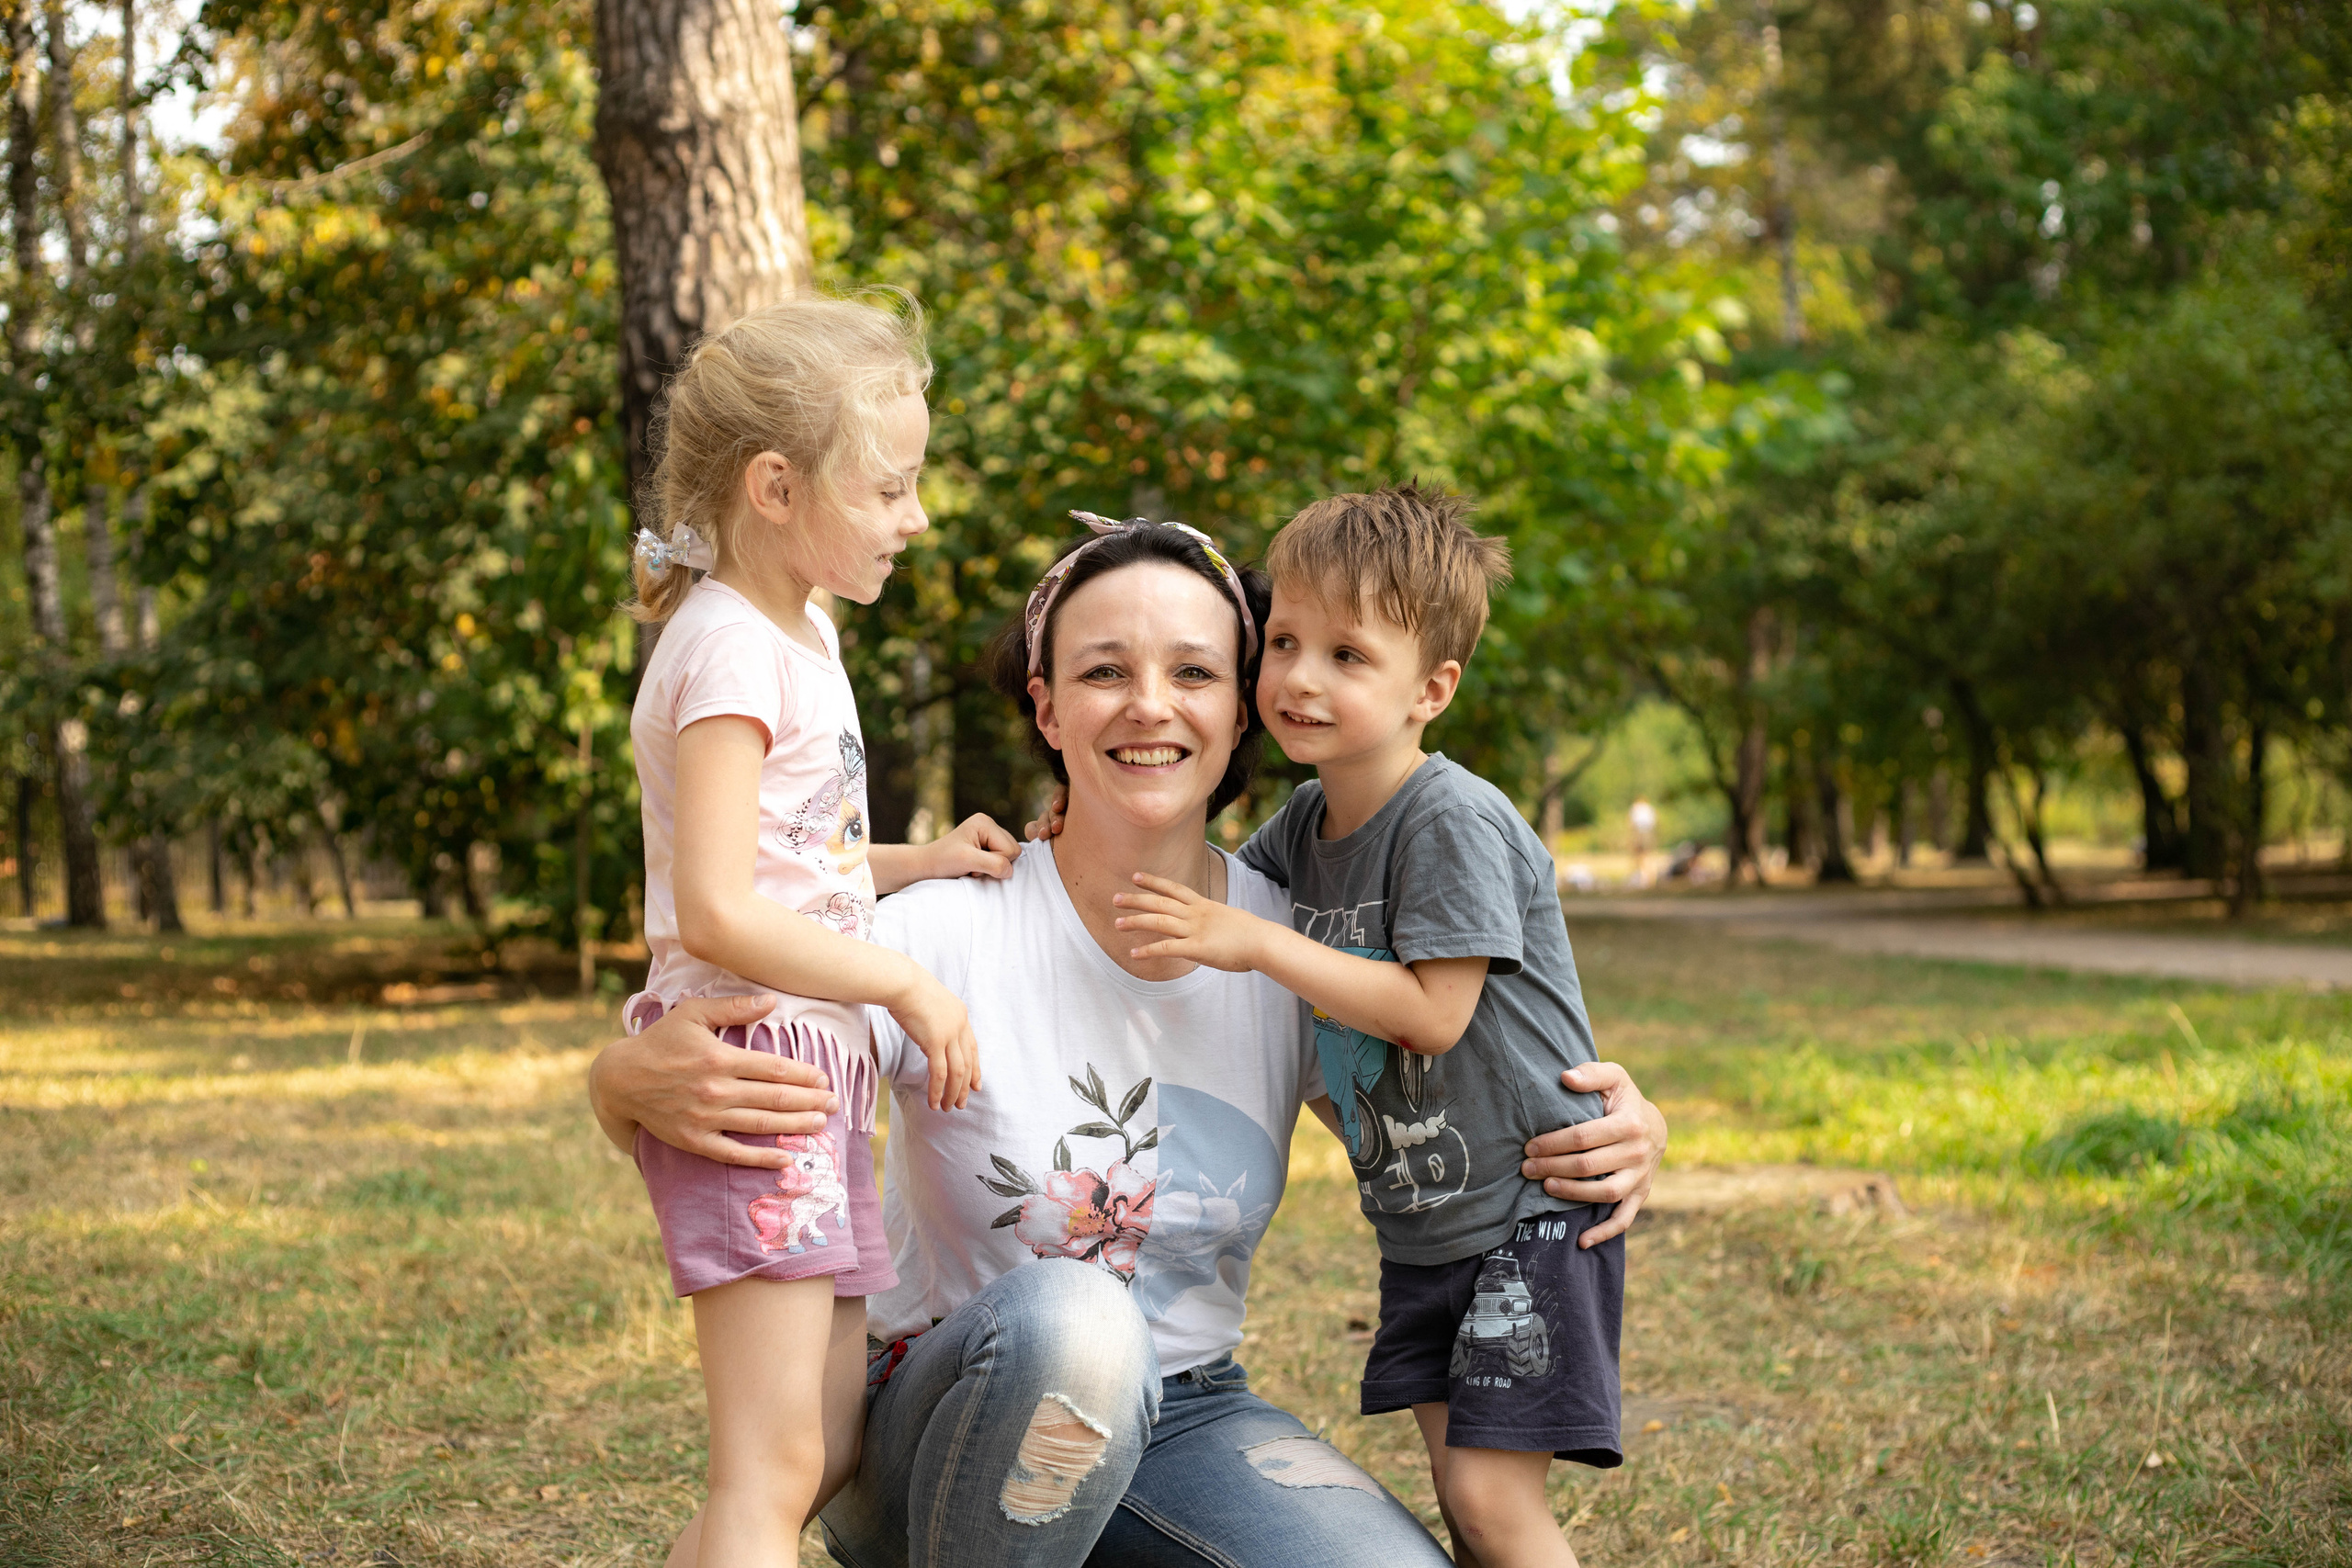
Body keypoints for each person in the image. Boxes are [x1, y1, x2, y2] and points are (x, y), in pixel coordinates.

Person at [590, 515, 1669, 1568]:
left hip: (1188, 1419)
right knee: (1079, 1320)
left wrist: (1607, 1124)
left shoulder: (1283, 942)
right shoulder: (943, 926)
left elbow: (1428, 1085)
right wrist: (618, 1081)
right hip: (939, 1411)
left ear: (1240, 709)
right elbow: (751, 1071)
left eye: (1195, 673)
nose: (1151, 706)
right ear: (1047, 706)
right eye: (1105, 672)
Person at [1109, 484, 1618, 1568]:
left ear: (1432, 688)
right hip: (1428, 1223)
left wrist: (1257, 946)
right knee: (1461, 1493)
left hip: (1525, 1206)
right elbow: (1207, 893)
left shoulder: (1449, 819)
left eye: (1347, 655)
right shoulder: (1303, 825)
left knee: (1490, 1502)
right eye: (1283, 640)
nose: (1297, 677)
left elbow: (1435, 1015)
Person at [612, 294, 1018, 1568]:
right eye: (890, 487)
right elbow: (718, 905)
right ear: (776, 486)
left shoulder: (803, 630)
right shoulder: (730, 648)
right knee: (773, 1464)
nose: (917, 515)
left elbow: (802, 869)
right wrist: (908, 981)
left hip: (810, 1069)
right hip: (757, 1072)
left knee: (825, 1445)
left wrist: (924, 860)